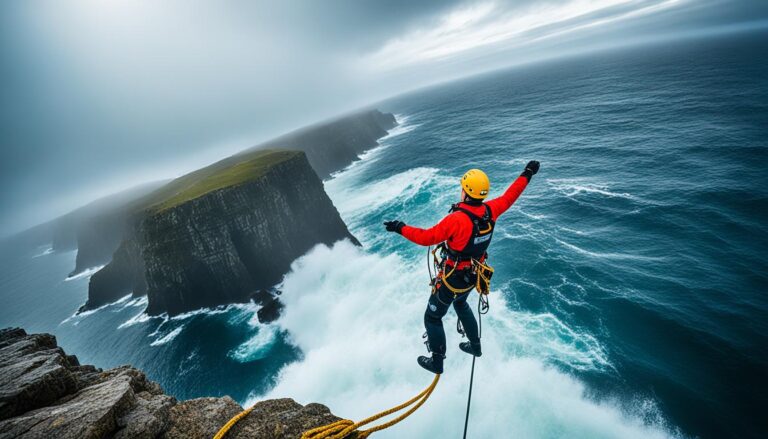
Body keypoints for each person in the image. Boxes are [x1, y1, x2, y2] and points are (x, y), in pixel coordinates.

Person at [384, 161, 540, 374]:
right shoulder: (490, 211)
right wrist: (528, 173)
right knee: (461, 304)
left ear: (466, 192)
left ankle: (437, 362)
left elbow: (426, 238)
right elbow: (511, 195)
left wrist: (400, 227)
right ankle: (475, 346)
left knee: (432, 317)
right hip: (473, 275)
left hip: (452, 279)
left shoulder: (457, 220)